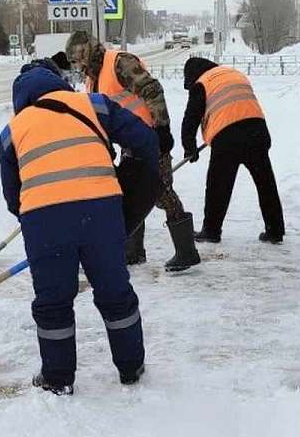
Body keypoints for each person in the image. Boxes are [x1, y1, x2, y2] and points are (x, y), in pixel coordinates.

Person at [0, 66, 160, 395]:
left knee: (53, 302)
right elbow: (145, 140)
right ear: (60, 84)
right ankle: (131, 367)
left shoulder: (11, 132)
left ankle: (58, 379)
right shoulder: (95, 104)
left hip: (44, 220)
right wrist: (129, 177)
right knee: (115, 292)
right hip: (102, 211)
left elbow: (12, 196)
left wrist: (33, 220)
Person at [65, 30, 200, 272]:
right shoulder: (91, 79)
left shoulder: (119, 62)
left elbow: (152, 90)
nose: (78, 66)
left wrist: (162, 128)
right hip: (129, 142)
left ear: (86, 53)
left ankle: (186, 252)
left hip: (150, 138)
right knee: (128, 193)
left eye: (78, 60)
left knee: (161, 191)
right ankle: (133, 252)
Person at [181, 57, 285, 244]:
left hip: (228, 137)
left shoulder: (203, 83)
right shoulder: (234, 74)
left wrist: (189, 148)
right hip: (258, 131)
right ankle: (275, 230)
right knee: (266, 183)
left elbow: (191, 118)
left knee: (218, 185)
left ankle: (211, 231)